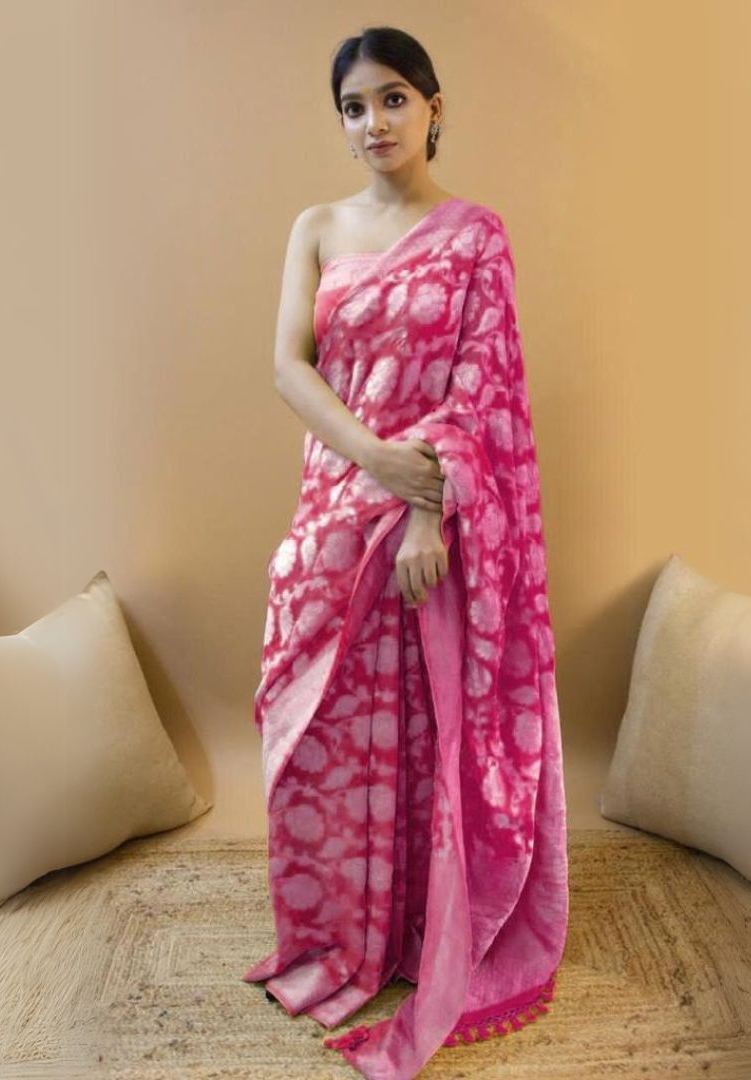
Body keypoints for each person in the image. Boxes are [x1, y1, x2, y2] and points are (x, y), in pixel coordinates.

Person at [241, 25, 569, 1080]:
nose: (372, 122)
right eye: (352, 107)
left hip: (435, 523)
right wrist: (379, 463)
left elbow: (484, 395)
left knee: (425, 738)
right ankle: (341, 933)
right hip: (340, 503)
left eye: (391, 99)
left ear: (434, 106)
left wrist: (425, 509)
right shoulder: (317, 227)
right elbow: (291, 367)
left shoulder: (476, 236)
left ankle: (418, 935)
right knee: (316, 725)